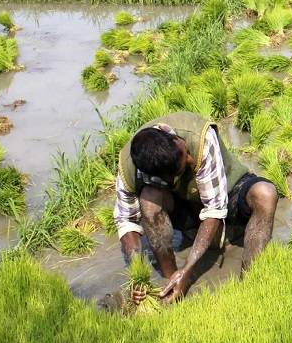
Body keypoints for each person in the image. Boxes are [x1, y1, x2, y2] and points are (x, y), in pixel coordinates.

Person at [114, 111, 278, 304]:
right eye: (186, 164)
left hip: (228, 191)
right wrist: (137, 274)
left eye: (186, 152)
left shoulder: (199, 135)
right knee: (149, 202)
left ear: (173, 137)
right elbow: (126, 221)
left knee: (266, 194)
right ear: (167, 177)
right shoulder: (129, 167)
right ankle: (171, 285)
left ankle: (249, 284)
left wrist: (189, 267)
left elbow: (214, 209)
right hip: (187, 208)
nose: (192, 159)